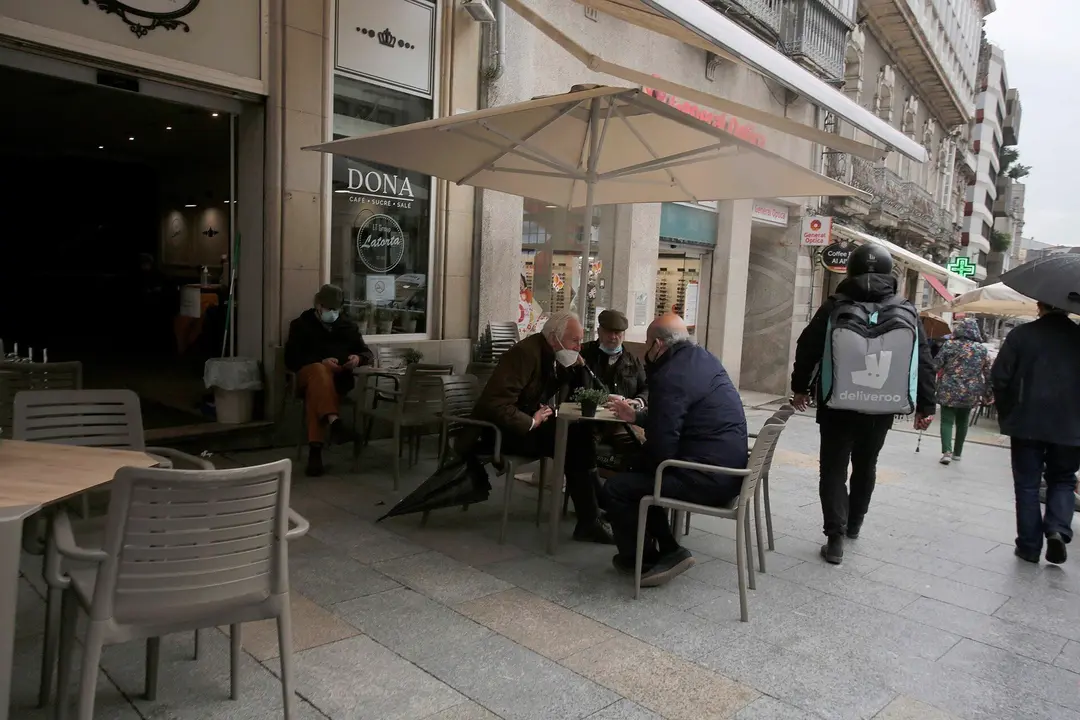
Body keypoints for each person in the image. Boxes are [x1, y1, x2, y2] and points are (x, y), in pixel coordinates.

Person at [791, 244, 935, 565]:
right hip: (882, 405)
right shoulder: (906, 308)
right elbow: (923, 359)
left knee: (833, 468)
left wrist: (800, 388)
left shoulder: (834, 305)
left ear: (851, 270)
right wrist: (926, 406)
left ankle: (835, 538)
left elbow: (807, 346)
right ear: (889, 272)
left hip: (836, 405)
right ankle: (854, 524)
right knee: (866, 465)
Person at [603, 314, 748, 587]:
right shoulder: (704, 359)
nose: (645, 351)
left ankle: (641, 561)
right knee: (640, 475)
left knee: (618, 487)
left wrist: (636, 461)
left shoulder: (669, 375)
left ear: (658, 345)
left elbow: (662, 446)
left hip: (705, 477)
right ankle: (669, 548)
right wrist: (637, 417)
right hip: (727, 471)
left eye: (647, 343)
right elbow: (678, 418)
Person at [472, 311, 613, 543]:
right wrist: (532, 421)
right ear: (554, 338)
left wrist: (577, 367)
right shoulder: (524, 354)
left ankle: (595, 511)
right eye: (574, 341)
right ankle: (592, 516)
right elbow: (495, 404)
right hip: (499, 431)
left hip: (522, 424)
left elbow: (558, 388)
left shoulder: (548, 353)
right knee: (572, 440)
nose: (579, 347)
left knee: (579, 433)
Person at [992, 301, 1080, 565]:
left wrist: (1008, 411)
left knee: (1027, 484)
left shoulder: (1022, 335)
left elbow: (1000, 377)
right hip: (1071, 424)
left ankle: (1029, 546)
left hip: (1026, 421)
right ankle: (1057, 528)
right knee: (1063, 479)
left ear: (1040, 304)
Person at [284, 284, 373, 476]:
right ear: (318, 305)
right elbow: (290, 358)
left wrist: (357, 359)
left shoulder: (348, 326)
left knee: (316, 394)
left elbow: (367, 353)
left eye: (336, 309)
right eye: (328, 308)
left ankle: (317, 451)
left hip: (336, 381)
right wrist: (321, 361)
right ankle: (335, 424)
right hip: (306, 375)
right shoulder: (301, 325)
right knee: (319, 370)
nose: (332, 312)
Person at [580, 310, 648, 470]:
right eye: (608, 332)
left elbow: (646, 387)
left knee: (641, 448)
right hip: (591, 422)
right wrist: (603, 398)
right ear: (599, 331)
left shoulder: (631, 359)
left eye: (618, 333)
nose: (613, 337)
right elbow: (576, 389)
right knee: (583, 450)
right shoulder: (584, 355)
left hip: (622, 423)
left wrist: (638, 401)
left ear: (623, 335)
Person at [934, 318, 992, 465]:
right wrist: (988, 393)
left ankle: (946, 452)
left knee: (946, 420)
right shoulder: (981, 349)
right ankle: (958, 453)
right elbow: (988, 373)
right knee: (963, 420)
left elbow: (936, 365)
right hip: (970, 391)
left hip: (948, 388)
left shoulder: (949, 345)